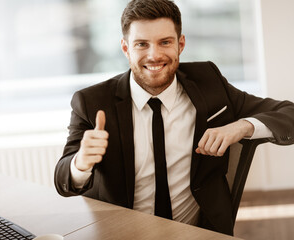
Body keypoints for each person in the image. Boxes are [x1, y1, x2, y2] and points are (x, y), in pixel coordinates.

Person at [54, 0, 294, 236]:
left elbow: (288, 113)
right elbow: (63, 181)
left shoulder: (209, 82)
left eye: (165, 42)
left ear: (181, 44)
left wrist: (243, 126)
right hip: (123, 234)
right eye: (141, 44)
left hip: (198, 233)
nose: (154, 55)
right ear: (126, 48)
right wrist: (81, 162)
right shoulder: (92, 101)